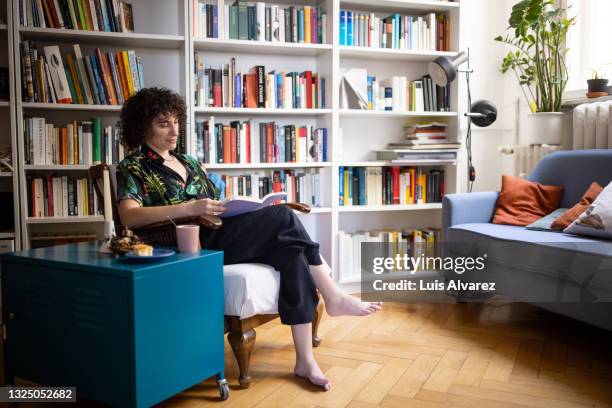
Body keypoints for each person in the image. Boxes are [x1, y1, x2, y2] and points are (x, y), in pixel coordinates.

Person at [115, 87, 382, 391]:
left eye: (176, 121)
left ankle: (305, 360)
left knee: (291, 253)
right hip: (191, 243)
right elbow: (130, 216)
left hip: (219, 231)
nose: (174, 129)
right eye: (164, 123)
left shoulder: (189, 161)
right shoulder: (133, 166)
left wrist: (236, 206)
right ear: (143, 125)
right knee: (283, 217)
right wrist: (190, 207)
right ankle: (333, 297)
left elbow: (215, 203)